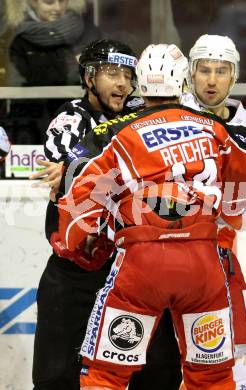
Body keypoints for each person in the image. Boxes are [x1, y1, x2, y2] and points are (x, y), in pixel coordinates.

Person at [53, 43, 246, 390]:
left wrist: (72, 243)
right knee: (212, 378)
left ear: (141, 83)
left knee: (106, 375)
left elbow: (82, 192)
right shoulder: (213, 127)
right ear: (183, 82)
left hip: (141, 266)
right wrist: (226, 210)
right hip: (203, 268)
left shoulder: (120, 131)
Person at [30, 39, 182, 390]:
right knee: (55, 378)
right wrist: (75, 167)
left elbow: (186, 123)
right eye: (112, 74)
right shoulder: (69, 119)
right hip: (75, 274)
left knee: (160, 372)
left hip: (134, 270)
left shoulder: (144, 112)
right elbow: (72, 174)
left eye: (128, 75)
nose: (122, 84)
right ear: (88, 77)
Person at [180, 33, 246, 389]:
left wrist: (231, 204)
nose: (212, 80)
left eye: (221, 71)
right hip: (162, 250)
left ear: (234, 77)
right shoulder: (172, 112)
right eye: (204, 70)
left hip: (217, 253)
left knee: (237, 345)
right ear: (190, 73)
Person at [7, 0, 100, 86]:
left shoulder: (88, 31)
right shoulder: (19, 41)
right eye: (49, 2)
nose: (58, 8)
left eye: (62, 1)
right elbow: (16, 84)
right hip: (33, 101)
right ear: (33, 3)